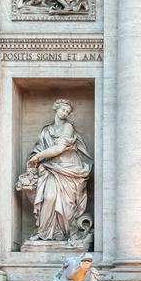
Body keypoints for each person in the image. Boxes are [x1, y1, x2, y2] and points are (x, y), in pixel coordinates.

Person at [25, 99, 92, 242]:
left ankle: (63, 233)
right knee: (49, 197)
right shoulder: (46, 130)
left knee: (65, 203)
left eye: (68, 111)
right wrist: (38, 160)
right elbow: (40, 148)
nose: (65, 113)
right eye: (63, 109)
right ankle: (44, 231)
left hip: (68, 168)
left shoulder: (68, 127)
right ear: (56, 109)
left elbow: (59, 148)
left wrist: (37, 157)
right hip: (51, 167)